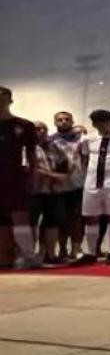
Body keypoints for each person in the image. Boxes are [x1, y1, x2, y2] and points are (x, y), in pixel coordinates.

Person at [73, 110, 110, 264]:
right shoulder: (88, 139)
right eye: (98, 123)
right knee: (91, 217)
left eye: (105, 122)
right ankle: (91, 252)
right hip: (92, 182)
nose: (102, 126)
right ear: (94, 124)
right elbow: (85, 158)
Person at [0, 87, 40, 269]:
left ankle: (27, 255)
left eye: (3, 98)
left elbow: (32, 155)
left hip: (14, 177)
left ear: (10, 100)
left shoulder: (24, 125)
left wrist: (34, 177)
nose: (0, 101)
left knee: (20, 216)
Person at [32, 121, 71, 266]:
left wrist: (63, 176)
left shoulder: (55, 147)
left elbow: (64, 165)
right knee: (31, 223)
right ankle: (29, 255)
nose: (41, 131)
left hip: (54, 191)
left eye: (44, 128)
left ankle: (50, 254)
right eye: (37, 129)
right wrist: (53, 176)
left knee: (53, 223)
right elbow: (29, 168)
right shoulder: (26, 147)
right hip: (33, 192)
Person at [51, 111, 85, 261]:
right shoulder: (51, 141)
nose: (64, 122)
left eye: (67, 119)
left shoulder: (81, 139)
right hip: (59, 186)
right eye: (60, 120)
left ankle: (76, 248)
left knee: (77, 219)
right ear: (55, 123)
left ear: (72, 121)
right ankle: (62, 249)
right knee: (61, 220)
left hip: (78, 184)